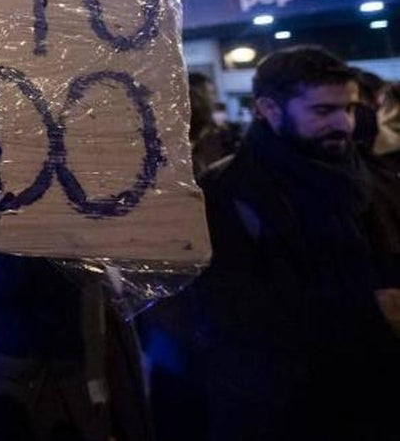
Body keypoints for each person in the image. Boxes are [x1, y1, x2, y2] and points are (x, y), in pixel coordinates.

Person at [145, 46, 400, 440]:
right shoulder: (224, 193)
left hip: (370, 398)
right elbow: (224, 313)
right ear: (269, 109)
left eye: (348, 109)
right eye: (322, 111)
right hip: (273, 410)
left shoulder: (372, 179)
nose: (344, 124)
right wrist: (366, 311)